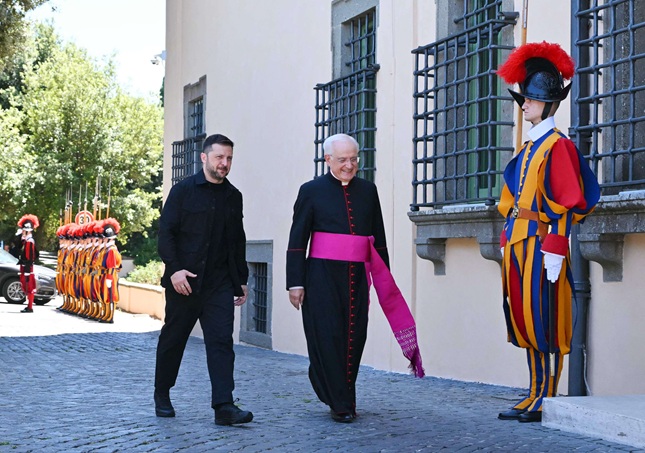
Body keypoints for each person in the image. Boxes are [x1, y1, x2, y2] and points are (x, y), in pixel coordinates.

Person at [495, 42, 600, 423]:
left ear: (547, 103)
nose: (523, 105)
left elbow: (567, 203)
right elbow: (513, 200)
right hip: (520, 243)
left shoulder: (558, 147)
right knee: (524, 319)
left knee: (545, 320)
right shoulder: (530, 146)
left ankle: (547, 396)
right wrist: (507, 237)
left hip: (542, 245)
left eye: (529, 99)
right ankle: (534, 391)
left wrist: (556, 247)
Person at [287, 133, 424, 423]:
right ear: (328, 159)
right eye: (342, 160)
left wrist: (384, 276)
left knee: (354, 336)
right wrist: (295, 283)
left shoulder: (368, 190)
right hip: (321, 276)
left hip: (357, 278)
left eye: (353, 159)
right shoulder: (311, 190)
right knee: (328, 335)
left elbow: (379, 236)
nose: (349, 165)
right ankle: (340, 403)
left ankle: (344, 396)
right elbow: (298, 239)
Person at [154, 133, 253, 426]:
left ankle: (224, 406)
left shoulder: (234, 196)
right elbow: (166, 234)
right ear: (204, 157)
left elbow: (237, 241)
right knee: (173, 340)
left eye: (229, 158)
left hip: (219, 284)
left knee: (221, 342)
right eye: (219, 157)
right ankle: (162, 393)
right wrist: (175, 269)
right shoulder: (183, 191)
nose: (225, 163)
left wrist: (241, 279)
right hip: (184, 282)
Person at [15, 214, 39, 313]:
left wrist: (27, 268)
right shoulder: (26, 240)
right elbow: (18, 247)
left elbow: (30, 256)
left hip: (27, 266)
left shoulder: (29, 241)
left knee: (29, 286)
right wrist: (20, 237)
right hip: (25, 265)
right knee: (25, 285)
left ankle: (30, 307)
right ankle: (28, 306)